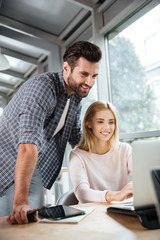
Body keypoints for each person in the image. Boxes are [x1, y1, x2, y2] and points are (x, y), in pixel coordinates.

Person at [0, 41, 102, 224]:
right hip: (6, 161)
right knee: (10, 221)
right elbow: (27, 145)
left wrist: (106, 151)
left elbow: (76, 138)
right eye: (84, 74)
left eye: (94, 76)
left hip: (33, 163)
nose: (90, 82)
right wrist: (21, 202)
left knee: (30, 223)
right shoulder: (42, 89)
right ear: (66, 68)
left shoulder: (76, 96)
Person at [69, 101, 133, 203]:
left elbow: (141, 177)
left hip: (121, 211)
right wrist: (114, 196)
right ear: (88, 123)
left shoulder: (125, 150)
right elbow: (82, 192)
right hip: (93, 213)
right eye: (100, 121)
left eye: (111, 122)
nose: (107, 127)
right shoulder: (77, 156)